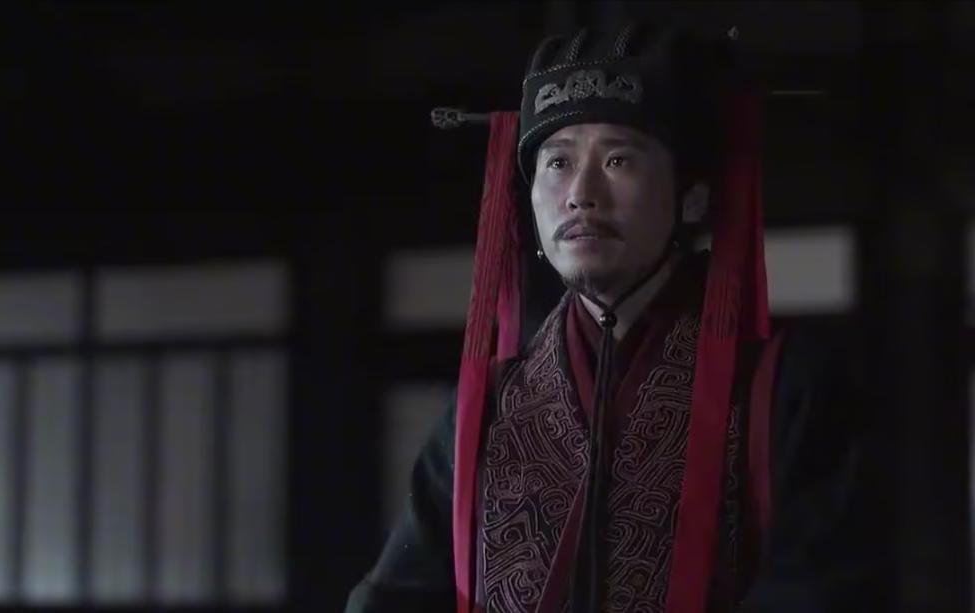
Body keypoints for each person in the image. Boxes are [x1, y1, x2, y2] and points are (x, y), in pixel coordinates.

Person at [347, 21, 886, 613]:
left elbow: (820, 592)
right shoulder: (492, 404)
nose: (581, 193)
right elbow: (395, 596)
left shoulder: (782, 385)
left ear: (693, 195)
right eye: (557, 162)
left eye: (618, 159)